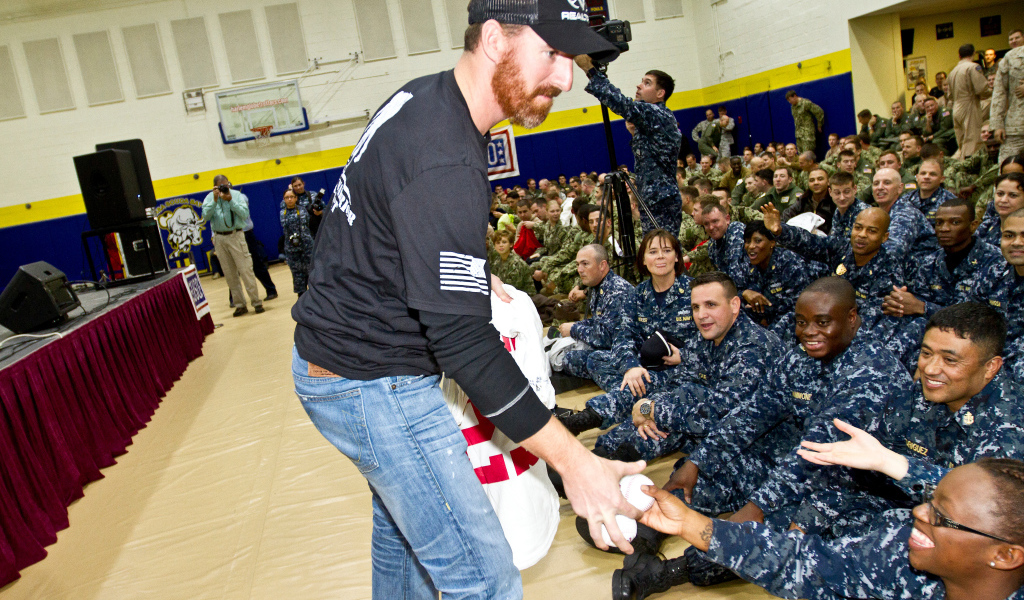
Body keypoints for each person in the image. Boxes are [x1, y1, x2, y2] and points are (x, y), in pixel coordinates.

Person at [289, 3, 649, 598]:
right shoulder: (446, 157)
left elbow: (384, 233)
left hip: (339, 362)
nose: (566, 78)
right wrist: (574, 462)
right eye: (552, 54)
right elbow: (462, 342)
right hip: (371, 382)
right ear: (492, 39)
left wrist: (468, 279)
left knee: (407, 553)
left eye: (572, 59)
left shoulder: (423, 98)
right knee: (484, 581)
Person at [615, 277, 913, 596]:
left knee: (773, 531)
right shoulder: (802, 355)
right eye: (802, 322)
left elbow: (817, 453)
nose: (809, 332)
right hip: (792, 458)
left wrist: (757, 506)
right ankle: (651, 522)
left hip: (851, 487)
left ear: (851, 317)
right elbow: (754, 411)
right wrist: (697, 464)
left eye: (822, 322)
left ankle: (671, 571)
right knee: (716, 465)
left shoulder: (873, 372)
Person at [633, 459, 1024, 600]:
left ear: (1005, 554)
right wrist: (688, 522)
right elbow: (804, 563)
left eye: (941, 515)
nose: (920, 512)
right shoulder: (897, 555)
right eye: (930, 500)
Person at [588, 271, 780, 463]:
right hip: (711, 428)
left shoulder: (753, 348)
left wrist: (650, 410)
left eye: (711, 305)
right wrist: (646, 412)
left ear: (734, 305)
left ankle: (613, 462)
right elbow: (679, 383)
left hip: (760, 449)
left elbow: (718, 415)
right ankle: (603, 454)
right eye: (695, 307)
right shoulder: (708, 335)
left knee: (685, 406)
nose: (702, 315)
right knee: (683, 396)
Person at [563, 230, 695, 432]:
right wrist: (630, 366)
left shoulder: (695, 290)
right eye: (652, 252)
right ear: (643, 259)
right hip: (646, 365)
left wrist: (686, 355)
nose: (660, 256)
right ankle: (638, 403)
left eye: (667, 250)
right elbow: (623, 337)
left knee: (640, 387)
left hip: (685, 370)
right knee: (599, 359)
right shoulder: (638, 294)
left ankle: (585, 419)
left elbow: (721, 336)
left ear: (677, 257)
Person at [575, 56, 682, 236]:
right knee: (657, 251)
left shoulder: (658, 113)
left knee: (664, 250)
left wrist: (591, 71)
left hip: (661, 200)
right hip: (651, 199)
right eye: (641, 81)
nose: (639, 86)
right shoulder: (650, 120)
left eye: (647, 83)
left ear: (660, 93)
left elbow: (622, 104)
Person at [556, 244, 636, 381]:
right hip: (610, 345)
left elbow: (607, 337)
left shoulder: (617, 291)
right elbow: (598, 321)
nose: (580, 270)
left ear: (602, 265)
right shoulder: (597, 287)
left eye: (585, 264)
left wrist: (574, 329)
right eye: (578, 264)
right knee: (566, 353)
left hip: (626, 352)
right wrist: (576, 324)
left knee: (572, 359)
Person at [973, 207, 1024, 384]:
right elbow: (971, 318)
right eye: (1009, 236)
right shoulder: (994, 272)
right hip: (992, 355)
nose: (1017, 242)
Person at [201, 175, 264, 316]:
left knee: (246, 270)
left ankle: (256, 302)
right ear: (215, 187)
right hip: (219, 238)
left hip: (236, 235)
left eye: (226, 185)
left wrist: (230, 201)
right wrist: (215, 200)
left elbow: (244, 214)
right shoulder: (209, 198)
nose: (225, 188)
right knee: (229, 274)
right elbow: (205, 216)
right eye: (221, 186)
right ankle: (240, 304)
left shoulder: (236, 195)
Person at [947, 44, 991, 159]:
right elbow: (981, 88)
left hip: (956, 107)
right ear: (974, 53)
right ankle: (969, 167)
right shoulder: (973, 67)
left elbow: (949, 95)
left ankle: (962, 164)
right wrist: (994, 92)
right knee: (973, 139)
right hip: (969, 104)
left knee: (962, 141)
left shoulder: (952, 72)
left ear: (959, 55)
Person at [279, 189, 315, 295]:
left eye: (292, 197)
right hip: (292, 250)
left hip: (306, 247)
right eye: (287, 197)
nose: (289, 199)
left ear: (296, 198)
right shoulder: (282, 212)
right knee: (297, 276)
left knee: (311, 273)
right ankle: (302, 300)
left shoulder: (303, 210)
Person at [992, 44, 1024, 162]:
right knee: (1007, 166)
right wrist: (997, 124)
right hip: (1016, 125)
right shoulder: (1012, 57)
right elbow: (999, 92)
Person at [782, 167, 836, 232]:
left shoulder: (834, 200)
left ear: (828, 182)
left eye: (820, 179)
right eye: (812, 180)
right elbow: (787, 215)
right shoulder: (804, 199)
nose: (816, 183)